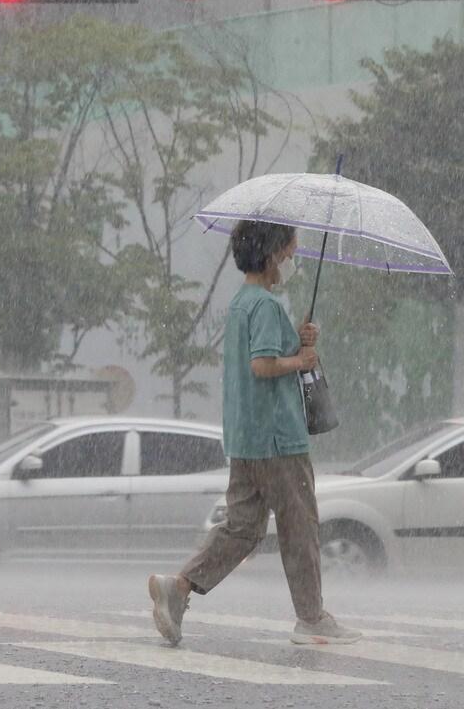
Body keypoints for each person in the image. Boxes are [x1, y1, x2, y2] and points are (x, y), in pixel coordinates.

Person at [147, 220, 362, 646]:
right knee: (300, 527)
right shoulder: (265, 305)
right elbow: (262, 365)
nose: (292, 260)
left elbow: (261, 357)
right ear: (271, 255)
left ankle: (179, 588)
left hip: (246, 438)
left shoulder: (241, 304)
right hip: (278, 438)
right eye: (289, 252)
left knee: (243, 528)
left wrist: (297, 339)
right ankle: (311, 618)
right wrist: (301, 361)